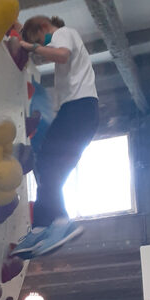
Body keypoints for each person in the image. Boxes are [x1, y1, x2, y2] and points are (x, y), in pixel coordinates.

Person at [11, 15, 99, 258]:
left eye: (40, 40)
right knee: (49, 168)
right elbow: (46, 45)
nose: (42, 46)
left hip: (78, 109)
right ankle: (41, 227)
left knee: (49, 165)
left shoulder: (64, 32)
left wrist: (30, 47)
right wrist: (20, 31)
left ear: (44, 28)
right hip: (80, 112)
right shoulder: (59, 34)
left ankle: (61, 221)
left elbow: (61, 55)